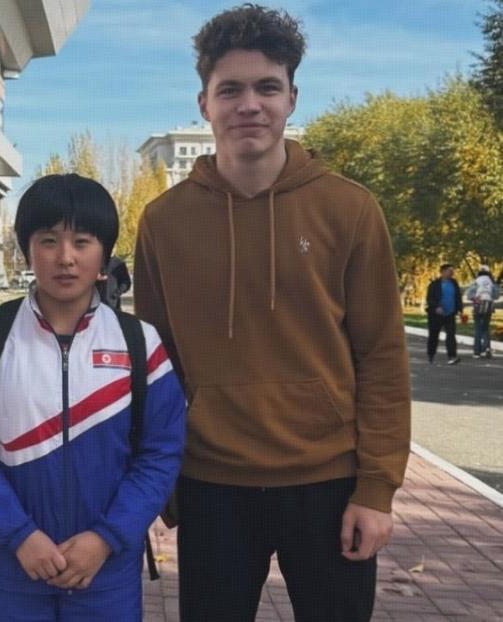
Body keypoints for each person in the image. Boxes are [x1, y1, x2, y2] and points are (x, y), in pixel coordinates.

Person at [133, 5, 411, 621]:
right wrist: (162, 480)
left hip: (330, 483)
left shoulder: (349, 209)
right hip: (212, 485)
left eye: (267, 87)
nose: (249, 105)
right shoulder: (164, 222)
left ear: (292, 98)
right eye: (230, 89)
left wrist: (377, 489)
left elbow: (382, 358)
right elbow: (156, 364)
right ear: (204, 104)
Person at [0, 174, 185, 621]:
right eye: (49, 240)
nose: (65, 258)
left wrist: (106, 538)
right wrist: (20, 536)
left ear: (103, 253)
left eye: (82, 241)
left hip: (106, 571)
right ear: (27, 248)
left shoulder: (140, 342)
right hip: (9, 566)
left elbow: (161, 454)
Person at [425, 263, 464, 365]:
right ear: (442, 272)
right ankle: (431, 354)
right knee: (434, 335)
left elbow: (458, 297)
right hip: (436, 315)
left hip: (450, 314)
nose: (452, 273)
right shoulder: (434, 284)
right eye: (449, 271)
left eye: (452, 271)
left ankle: (452, 356)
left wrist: (460, 309)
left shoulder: (454, 283)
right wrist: (436, 307)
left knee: (451, 335)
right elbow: (429, 299)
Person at [464, 264, 500, 358]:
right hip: (488, 307)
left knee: (478, 328)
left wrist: (475, 298)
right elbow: (496, 295)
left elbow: (468, 295)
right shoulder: (492, 282)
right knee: (485, 328)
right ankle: (487, 349)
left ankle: (477, 352)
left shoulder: (476, 282)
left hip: (478, 306)